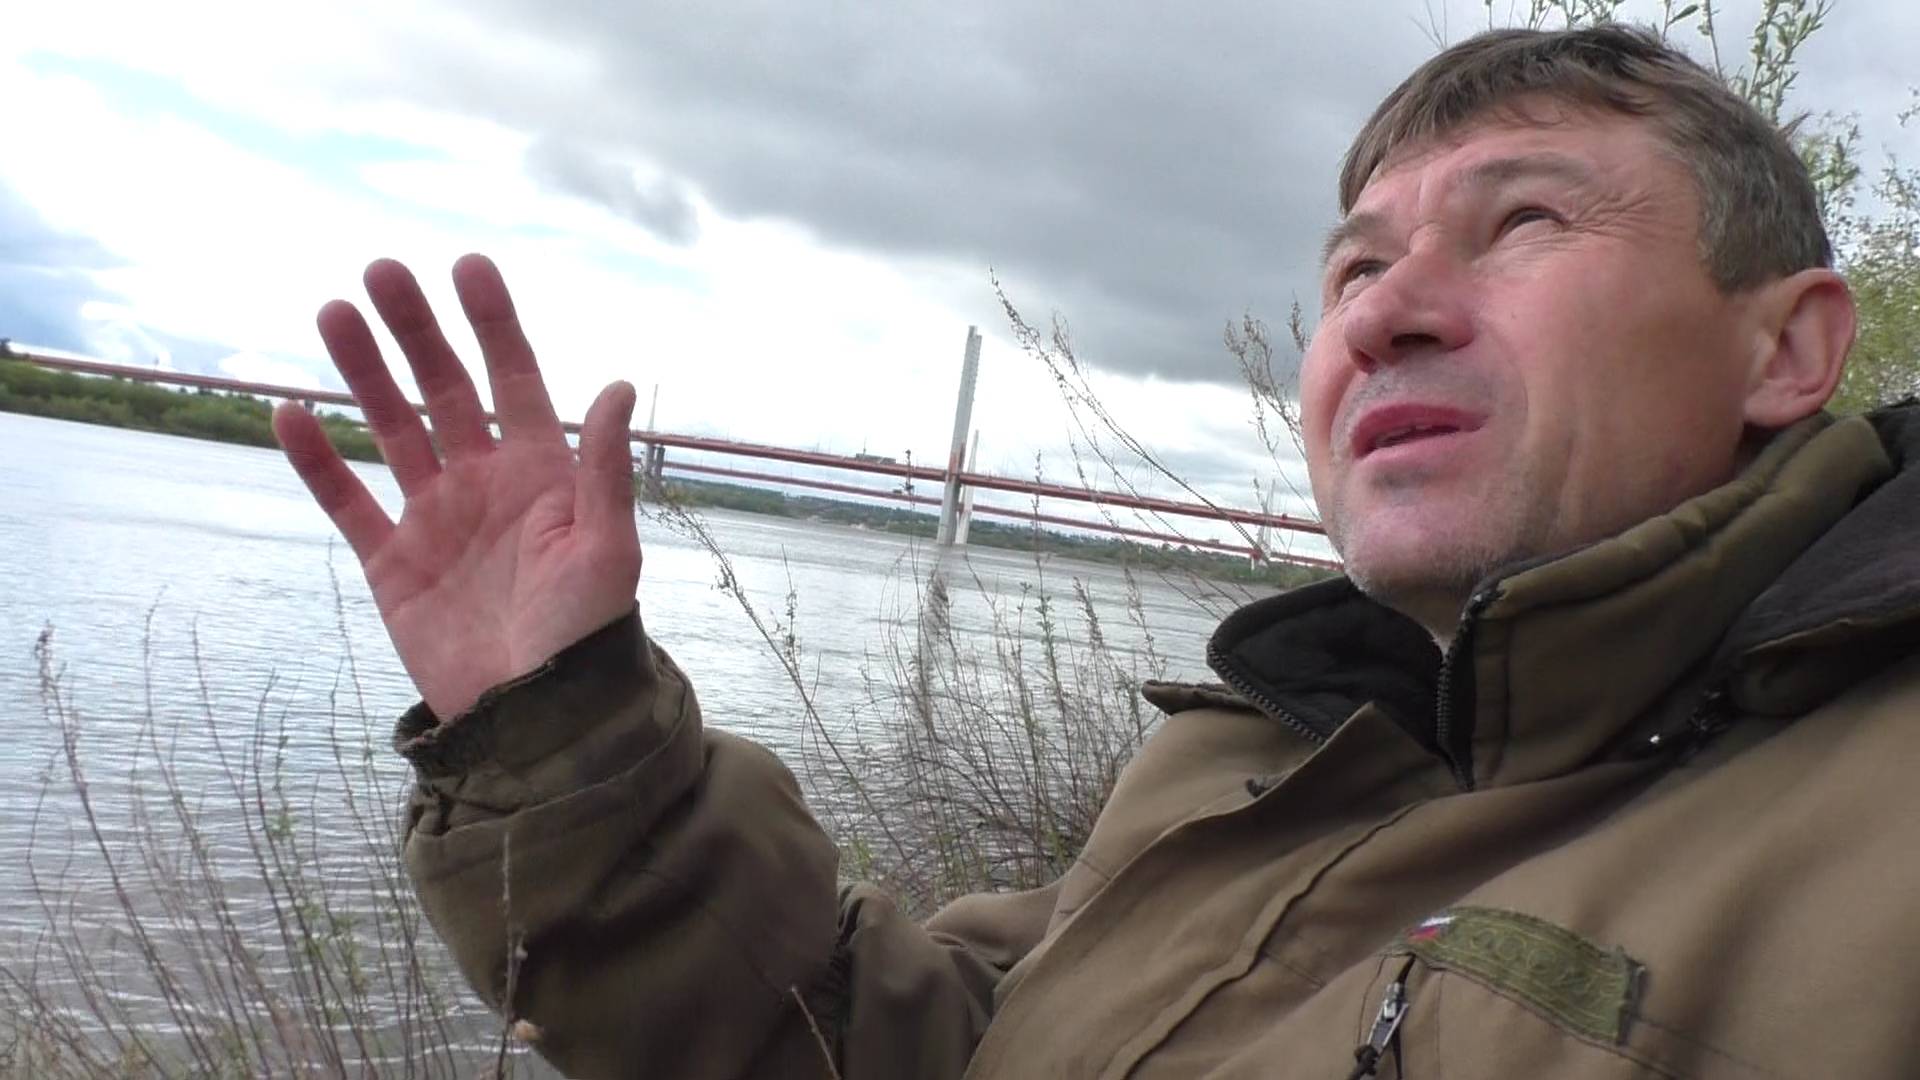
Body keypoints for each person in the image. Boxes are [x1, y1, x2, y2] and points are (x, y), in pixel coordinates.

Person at [273, 23, 1920, 1079]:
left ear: (1787, 348)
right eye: (1354, 270)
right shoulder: (1246, 764)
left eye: (1528, 223)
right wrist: (567, 734)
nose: (1386, 314)